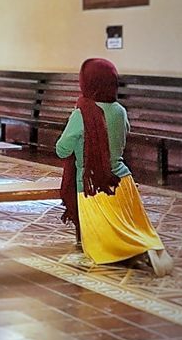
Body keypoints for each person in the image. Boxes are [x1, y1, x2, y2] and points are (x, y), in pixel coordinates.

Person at [56, 57, 173, 276]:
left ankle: (135, 253)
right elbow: (122, 137)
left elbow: (61, 150)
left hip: (93, 189)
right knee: (136, 227)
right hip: (124, 184)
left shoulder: (80, 114)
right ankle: (148, 248)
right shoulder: (120, 111)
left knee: (101, 247)